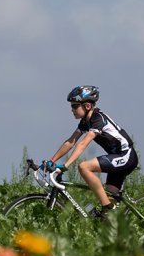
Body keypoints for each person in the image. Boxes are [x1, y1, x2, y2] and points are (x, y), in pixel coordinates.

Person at [46, 85, 138, 218]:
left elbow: (83, 143)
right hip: (116, 157)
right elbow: (71, 141)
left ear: (88, 106)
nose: (72, 110)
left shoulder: (97, 119)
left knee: (84, 167)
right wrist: (52, 160)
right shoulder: (85, 122)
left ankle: (108, 210)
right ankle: (111, 217)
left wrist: (66, 165)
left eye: (75, 106)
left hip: (126, 156)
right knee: (108, 202)